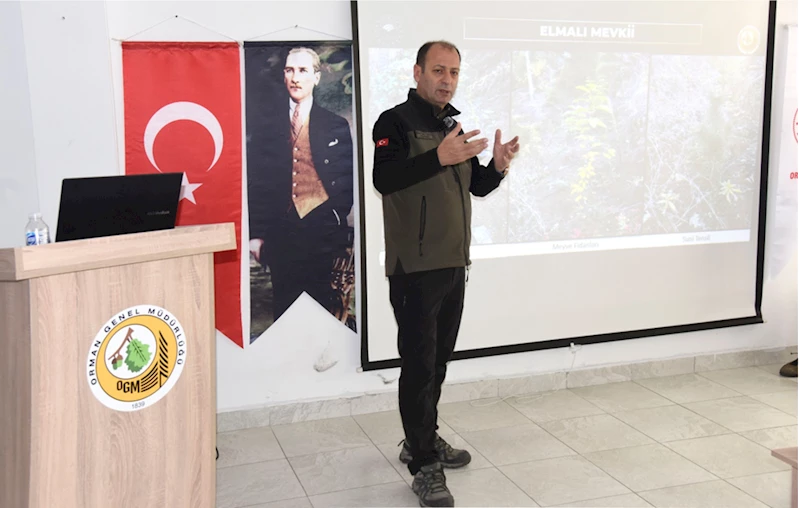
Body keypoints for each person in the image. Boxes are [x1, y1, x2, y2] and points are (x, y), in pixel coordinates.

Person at [372, 40, 520, 507]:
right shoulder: (394, 122)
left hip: (454, 264)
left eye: (454, 72)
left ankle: (423, 440)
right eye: (438, 70)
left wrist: (497, 166)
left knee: (436, 363)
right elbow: (384, 179)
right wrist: (438, 156)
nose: (447, 80)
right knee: (418, 366)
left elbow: (476, 186)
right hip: (414, 267)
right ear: (417, 72)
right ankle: (423, 466)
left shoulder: (450, 125)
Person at [248, 47, 355, 326]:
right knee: (285, 311)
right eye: (290, 70)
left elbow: (347, 179)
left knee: (321, 311)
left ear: (316, 77)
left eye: (303, 70)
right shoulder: (266, 127)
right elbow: (257, 181)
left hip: (322, 232)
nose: (295, 78)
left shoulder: (335, 125)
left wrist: (334, 217)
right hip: (281, 232)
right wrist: (256, 234)